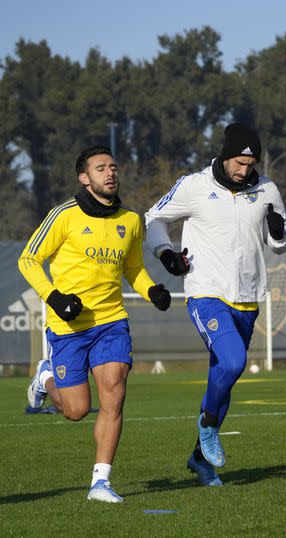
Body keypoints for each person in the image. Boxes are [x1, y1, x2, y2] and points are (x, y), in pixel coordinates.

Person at [21, 146, 171, 503]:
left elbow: (132, 269)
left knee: (115, 393)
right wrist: (55, 298)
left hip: (111, 322)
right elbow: (29, 260)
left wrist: (152, 290)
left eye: (113, 167)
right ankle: (46, 376)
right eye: (101, 168)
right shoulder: (63, 215)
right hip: (68, 327)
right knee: (74, 411)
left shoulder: (131, 220)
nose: (110, 172)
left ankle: (100, 483)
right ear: (84, 178)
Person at [145, 123, 286, 486]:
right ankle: (208, 425)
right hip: (206, 292)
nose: (246, 170)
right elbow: (154, 218)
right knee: (233, 361)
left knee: (223, 378)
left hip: (247, 297)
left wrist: (278, 231)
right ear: (226, 156)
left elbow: (282, 240)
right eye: (240, 162)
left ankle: (199, 459)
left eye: (252, 163)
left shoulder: (267, 189)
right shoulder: (194, 185)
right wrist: (165, 253)